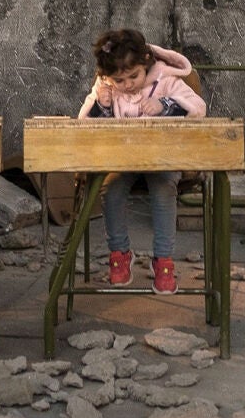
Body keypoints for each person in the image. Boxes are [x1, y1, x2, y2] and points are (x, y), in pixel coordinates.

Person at [77, 28, 205, 294]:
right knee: (110, 190)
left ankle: (164, 261)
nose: (128, 85)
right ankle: (120, 254)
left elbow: (198, 107)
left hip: (163, 160)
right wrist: (102, 106)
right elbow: (84, 124)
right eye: (119, 79)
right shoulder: (107, 88)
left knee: (163, 190)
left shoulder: (167, 80)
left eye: (134, 76)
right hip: (122, 161)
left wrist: (166, 105)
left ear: (146, 63)